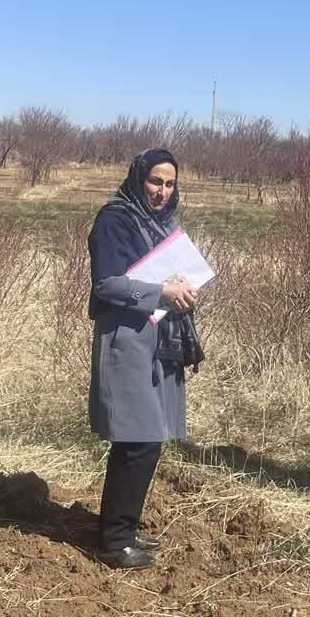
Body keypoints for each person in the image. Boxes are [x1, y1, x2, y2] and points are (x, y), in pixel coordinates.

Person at [87, 148, 204, 569]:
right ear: (139, 179)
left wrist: (183, 290)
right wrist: (161, 294)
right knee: (136, 439)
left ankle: (125, 527)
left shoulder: (163, 223)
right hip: (127, 340)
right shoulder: (114, 219)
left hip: (158, 339)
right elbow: (107, 284)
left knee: (149, 439)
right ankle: (114, 542)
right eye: (156, 181)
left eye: (170, 184)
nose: (162, 191)